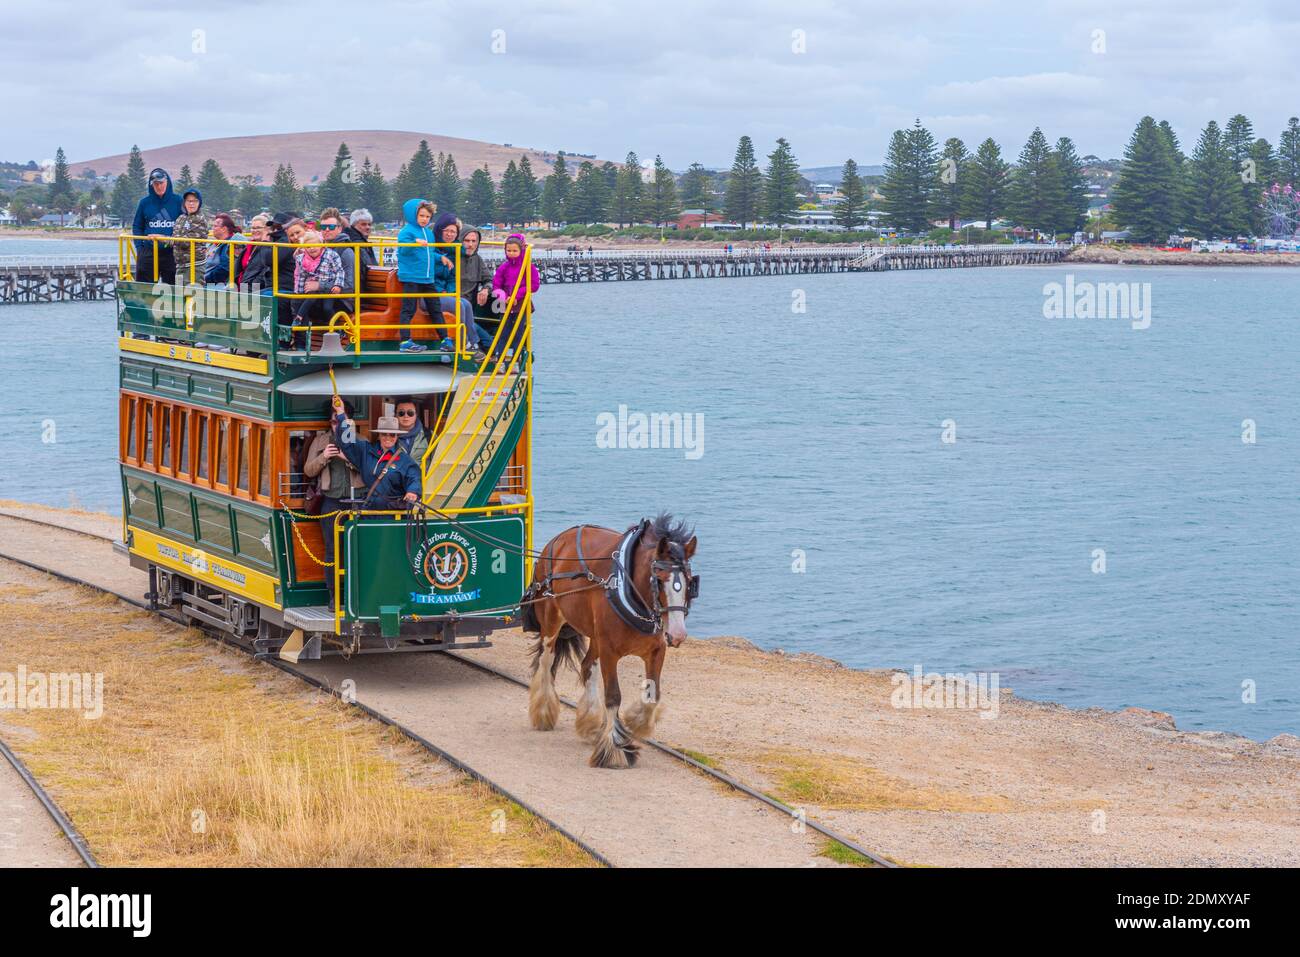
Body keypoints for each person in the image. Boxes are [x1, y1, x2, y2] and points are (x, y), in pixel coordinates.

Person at [304, 399, 365, 603]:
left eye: (340, 421)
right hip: (331, 503)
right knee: (333, 550)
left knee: (357, 549)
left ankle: (355, 595)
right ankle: (334, 596)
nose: (336, 426)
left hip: (357, 502)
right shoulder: (321, 442)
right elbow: (308, 470)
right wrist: (324, 458)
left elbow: (369, 471)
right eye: (333, 422)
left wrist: (349, 459)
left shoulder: (360, 441)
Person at [331, 397, 421, 507]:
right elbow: (347, 441)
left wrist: (412, 491)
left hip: (394, 514)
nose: (388, 437)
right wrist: (340, 412)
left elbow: (414, 477)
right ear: (379, 435)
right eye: (384, 434)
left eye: (392, 434)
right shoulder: (365, 451)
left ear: (397, 436)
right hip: (369, 511)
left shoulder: (404, 459)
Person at [430, 212, 490, 359]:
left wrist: (486, 289)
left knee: (465, 307)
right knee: (464, 310)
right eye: (467, 240)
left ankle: (479, 348)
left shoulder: (476, 260)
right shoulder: (450, 254)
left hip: (462, 303)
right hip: (448, 300)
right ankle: (476, 348)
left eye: (474, 241)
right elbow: (431, 278)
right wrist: (445, 292)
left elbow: (488, 278)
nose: (470, 244)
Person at [491, 233, 541, 355]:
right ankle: (500, 360)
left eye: (515, 250)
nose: (511, 253)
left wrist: (516, 296)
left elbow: (534, 285)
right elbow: (496, 285)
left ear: (521, 250)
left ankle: (516, 359)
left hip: (521, 302)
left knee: (518, 332)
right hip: (504, 302)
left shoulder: (528, 267)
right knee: (503, 331)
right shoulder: (504, 267)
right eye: (509, 250)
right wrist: (503, 297)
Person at [132, 168, 183, 284]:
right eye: (156, 184)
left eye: (161, 183)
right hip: (148, 250)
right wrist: (139, 248)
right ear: (152, 185)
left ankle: (172, 302)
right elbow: (137, 226)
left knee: (173, 286)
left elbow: (185, 224)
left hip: (171, 251)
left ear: (167, 182)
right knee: (143, 286)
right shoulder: (144, 203)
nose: (159, 187)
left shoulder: (178, 201)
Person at [292, 229, 345, 336]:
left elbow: (339, 271)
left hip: (328, 287)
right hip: (313, 287)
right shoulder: (302, 259)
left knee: (327, 308)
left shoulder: (331, 255)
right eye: (308, 247)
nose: (312, 248)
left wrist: (337, 285)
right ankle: (299, 318)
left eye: (315, 245)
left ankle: (338, 328)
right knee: (309, 299)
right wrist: (299, 292)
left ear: (321, 244)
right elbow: (301, 276)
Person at [171, 189, 209, 285]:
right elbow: (175, 236)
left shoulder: (199, 219)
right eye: (189, 201)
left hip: (194, 266)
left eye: (195, 201)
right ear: (184, 203)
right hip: (180, 265)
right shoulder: (181, 218)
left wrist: (162, 238)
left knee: (193, 296)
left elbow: (185, 242)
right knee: (181, 296)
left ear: (199, 203)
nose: (191, 204)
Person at [393, 396, 432, 478]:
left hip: (423, 484)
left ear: (416, 415)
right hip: (396, 486)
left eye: (410, 413)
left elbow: (437, 461)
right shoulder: (388, 437)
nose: (406, 416)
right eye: (401, 413)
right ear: (395, 415)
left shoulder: (429, 435)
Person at [236, 214, 274, 291]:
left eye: (258, 228)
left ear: (267, 230)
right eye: (253, 228)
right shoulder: (249, 247)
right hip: (242, 286)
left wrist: (249, 288)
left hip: (255, 289)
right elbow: (238, 269)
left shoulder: (270, 247)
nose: (254, 230)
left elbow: (265, 272)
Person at [204, 214, 244, 284]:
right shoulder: (214, 244)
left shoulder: (229, 246)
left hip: (214, 285)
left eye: (215, 226)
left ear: (224, 229)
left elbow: (224, 269)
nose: (212, 228)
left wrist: (205, 279)